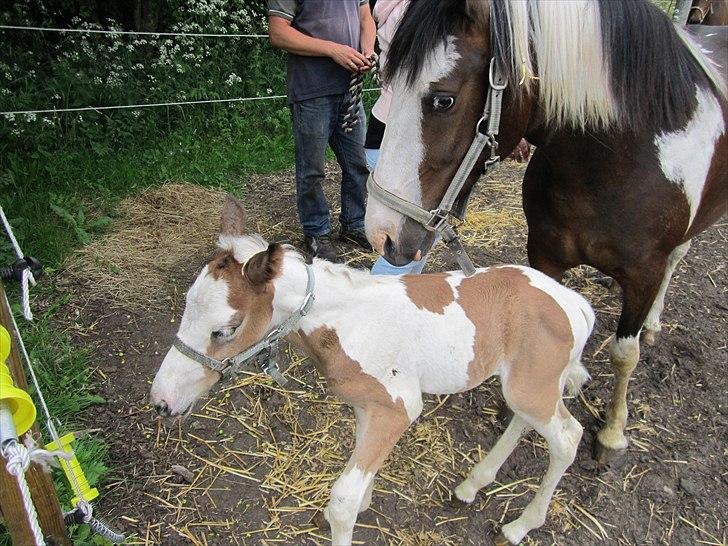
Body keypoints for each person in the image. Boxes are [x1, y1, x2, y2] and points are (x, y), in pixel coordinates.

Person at [268, 0, 376, 262]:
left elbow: (365, 16)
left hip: (349, 89)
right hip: (311, 91)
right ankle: (316, 231)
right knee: (312, 169)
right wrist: (332, 50)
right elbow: (278, 32)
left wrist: (368, 49)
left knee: (358, 164)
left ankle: (354, 224)